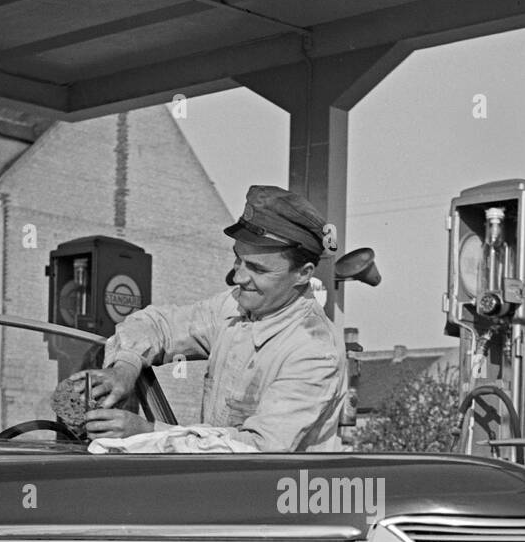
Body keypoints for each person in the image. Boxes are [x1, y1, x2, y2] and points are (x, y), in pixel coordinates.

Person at [82, 186, 346, 452]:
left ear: (303, 273)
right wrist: (124, 368)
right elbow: (157, 324)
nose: (239, 277)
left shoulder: (315, 351)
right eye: (238, 259)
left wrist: (147, 434)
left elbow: (259, 448)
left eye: (257, 269)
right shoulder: (231, 307)